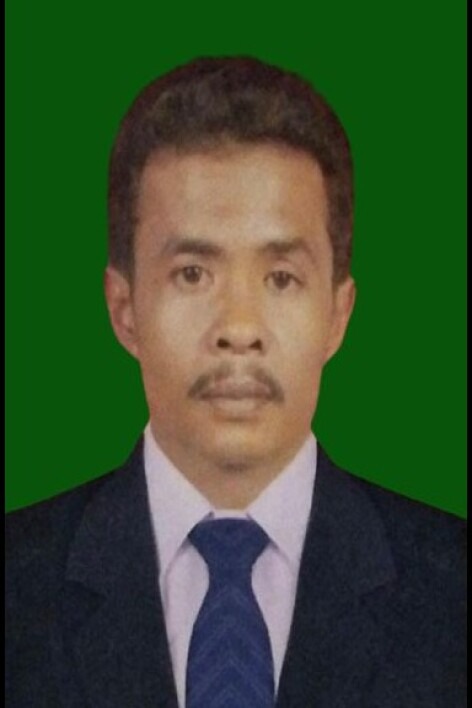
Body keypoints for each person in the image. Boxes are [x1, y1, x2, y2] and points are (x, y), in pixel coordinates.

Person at [5, 56, 466, 708]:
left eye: (281, 277)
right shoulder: (18, 587)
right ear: (125, 309)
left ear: (337, 315)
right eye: (193, 274)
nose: (240, 328)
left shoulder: (451, 592)